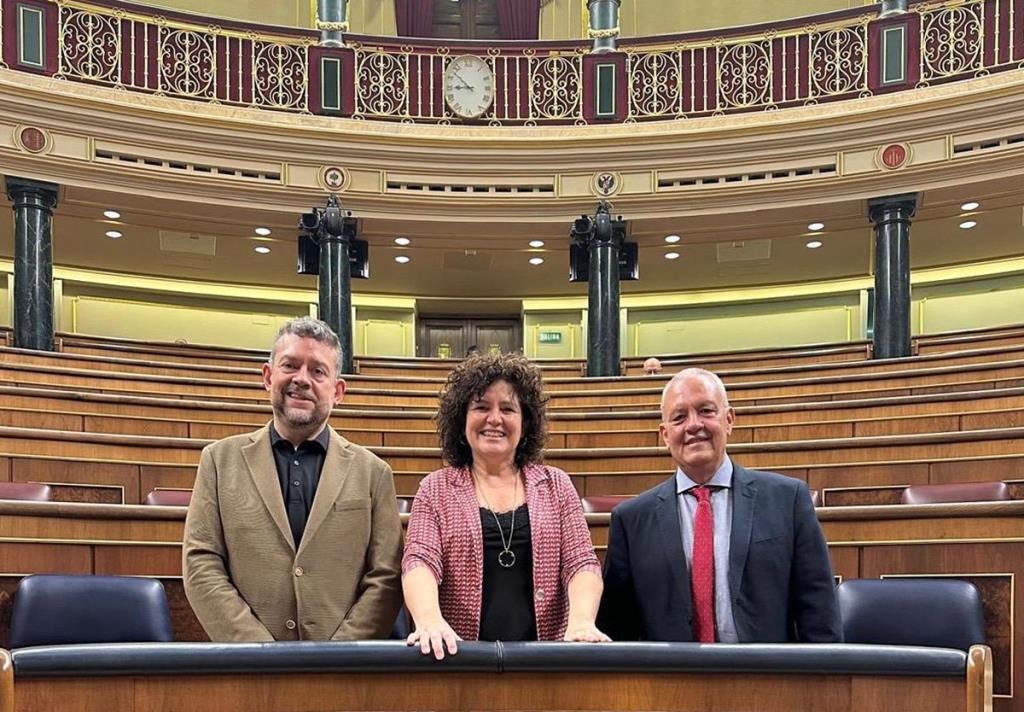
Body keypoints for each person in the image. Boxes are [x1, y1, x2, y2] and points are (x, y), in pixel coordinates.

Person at [183, 317, 402, 641]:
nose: (302, 379)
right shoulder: (218, 461)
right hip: (250, 670)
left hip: (343, 672)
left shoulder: (373, 472)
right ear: (268, 376)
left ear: (337, 390)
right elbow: (201, 562)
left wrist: (341, 653)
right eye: (290, 365)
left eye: (317, 371)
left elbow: (386, 574)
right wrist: (257, 650)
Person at [598, 367, 841, 643]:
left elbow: (818, 611)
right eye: (679, 417)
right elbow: (616, 626)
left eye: (706, 411)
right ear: (665, 435)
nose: (693, 425)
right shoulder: (631, 520)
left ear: (729, 419)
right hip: (669, 680)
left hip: (768, 679)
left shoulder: (788, 500)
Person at [403, 353, 608, 658]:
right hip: (460, 659)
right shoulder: (435, 488)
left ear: (525, 424)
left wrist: (581, 621)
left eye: (508, 409)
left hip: (546, 660)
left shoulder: (557, 484)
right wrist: (429, 619)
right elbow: (419, 561)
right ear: (462, 421)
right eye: (481, 407)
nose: (494, 419)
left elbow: (582, 563)